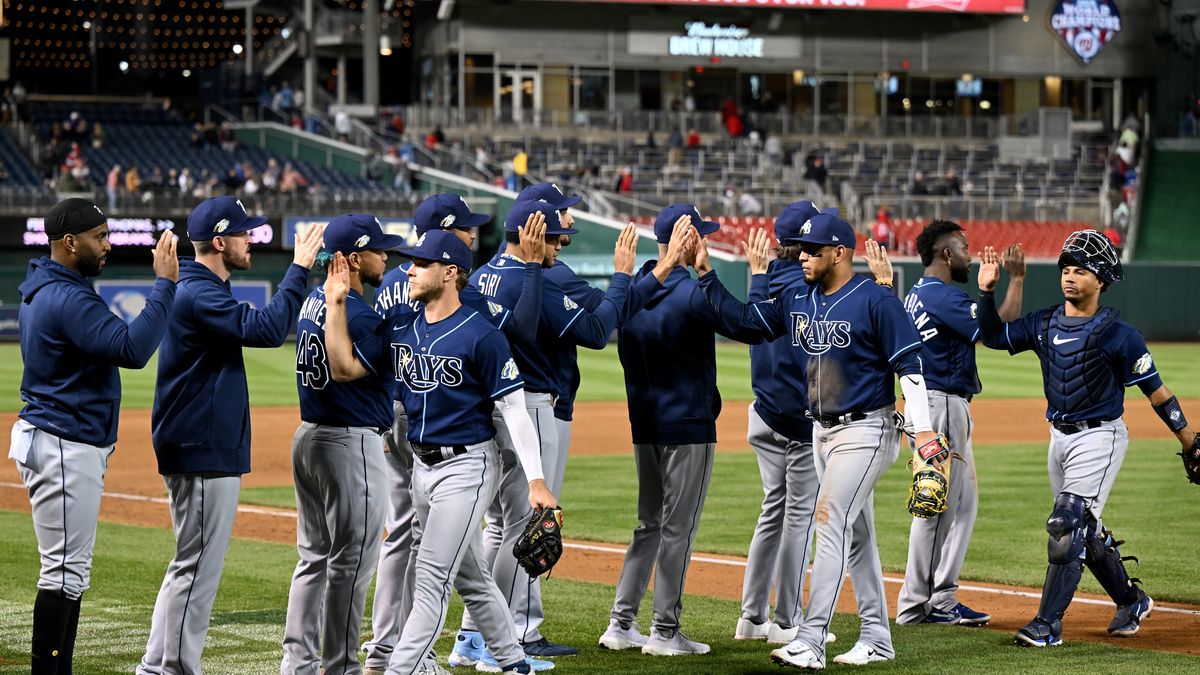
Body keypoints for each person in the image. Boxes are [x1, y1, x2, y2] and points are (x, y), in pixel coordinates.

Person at [696, 212, 941, 669]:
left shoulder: (875, 300)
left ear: (840, 253)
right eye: (801, 249)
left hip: (866, 431)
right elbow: (745, 323)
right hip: (821, 432)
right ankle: (876, 636)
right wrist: (708, 276)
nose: (801, 256)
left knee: (828, 522)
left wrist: (923, 428)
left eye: (812, 250)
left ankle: (810, 639)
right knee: (858, 538)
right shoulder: (798, 298)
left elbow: (910, 366)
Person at [323, 231, 557, 675]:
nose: (409, 268)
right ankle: (514, 663)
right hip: (420, 470)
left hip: (467, 468)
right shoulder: (400, 324)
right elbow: (344, 368)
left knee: (430, 574)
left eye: (421, 263)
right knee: (471, 575)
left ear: (450, 273)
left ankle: (402, 669)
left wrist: (536, 480)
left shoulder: (482, 336)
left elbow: (514, 411)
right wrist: (336, 305)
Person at [976, 230, 1198, 647]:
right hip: (1058, 439)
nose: (1070, 277)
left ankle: (1047, 624)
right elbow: (993, 337)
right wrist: (988, 293)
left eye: (1081, 271)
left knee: (1066, 522)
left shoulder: (1120, 334)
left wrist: (1188, 440)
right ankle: (1131, 600)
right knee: (1086, 529)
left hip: (1100, 439)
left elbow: (1159, 392)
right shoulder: (1043, 323)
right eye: (1067, 269)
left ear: (1102, 280)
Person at [456, 200, 653, 667]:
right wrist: (623, 275)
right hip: (529, 403)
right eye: (555, 236)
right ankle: (508, 639)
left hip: (494, 406)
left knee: (500, 525)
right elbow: (596, 329)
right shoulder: (531, 278)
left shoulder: (484, 273)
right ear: (532, 234)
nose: (561, 244)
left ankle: (472, 635)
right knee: (527, 525)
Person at [137, 197, 324, 675]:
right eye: (244, 233)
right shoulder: (199, 291)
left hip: (197, 441)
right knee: (197, 570)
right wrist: (299, 269)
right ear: (219, 242)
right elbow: (265, 329)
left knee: (187, 565)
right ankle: (172, 669)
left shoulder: (198, 286)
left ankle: (155, 666)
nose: (252, 240)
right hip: (201, 445)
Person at [12, 199, 178, 674]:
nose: (107, 245)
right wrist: (164, 284)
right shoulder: (69, 297)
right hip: (65, 441)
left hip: (56, 437)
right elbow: (132, 348)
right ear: (70, 243)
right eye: (99, 237)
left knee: (70, 572)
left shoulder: (45, 285)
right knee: (64, 573)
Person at [599, 204, 761, 657]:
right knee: (677, 531)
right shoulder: (691, 293)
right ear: (686, 238)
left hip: (644, 425)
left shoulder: (633, 290)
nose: (705, 242)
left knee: (648, 525)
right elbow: (749, 326)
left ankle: (620, 623)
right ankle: (665, 631)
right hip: (687, 427)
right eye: (701, 235)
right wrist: (709, 274)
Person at [280, 214, 408, 675]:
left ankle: (297, 665)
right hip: (349, 443)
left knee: (313, 559)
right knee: (351, 565)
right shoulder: (358, 313)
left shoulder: (315, 299)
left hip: (309, 435)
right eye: (378, 250)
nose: (386, 257)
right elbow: (345, 368)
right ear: (354, 259)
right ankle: (340, 668)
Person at [894, 221, 1026, 628]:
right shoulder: (942, 295)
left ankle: (943, 597)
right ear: (946, 255)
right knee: (938, 508)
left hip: (931, 403)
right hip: (942, 406)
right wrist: (1015, 281)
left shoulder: (917, 293)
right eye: (964, 248)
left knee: (963, 506)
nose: (971, 254)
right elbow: (994, 331)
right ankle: (916, 606)